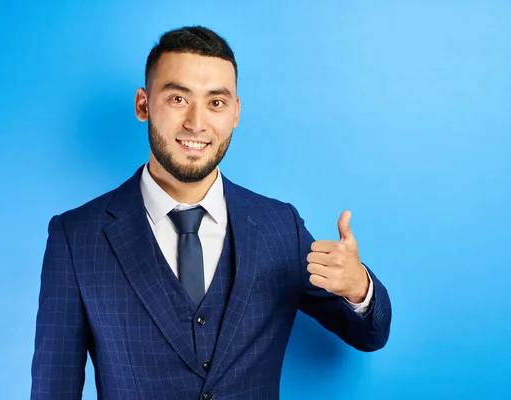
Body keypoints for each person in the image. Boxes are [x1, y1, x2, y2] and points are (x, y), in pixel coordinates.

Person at [31, 25, 391, 400]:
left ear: (235, 112)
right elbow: (53, 387)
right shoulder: (76, 237)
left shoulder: (279, 226)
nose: (197, 123)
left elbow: (370, 335)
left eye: (215, 103)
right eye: (178, 99)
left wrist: (358, 288)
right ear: (143, 104)